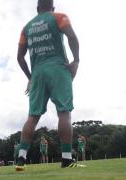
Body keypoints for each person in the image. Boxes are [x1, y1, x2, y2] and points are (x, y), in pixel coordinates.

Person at [16, 0, 80, 171]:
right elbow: (72, 37)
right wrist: (76, 60)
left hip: (37, 73)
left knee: (32, 116)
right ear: (52, 7)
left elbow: (20, 57)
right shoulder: (59, 16)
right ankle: (66, 158)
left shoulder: (26, 27)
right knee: (64, 113)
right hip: (58, 69)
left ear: (38, 9)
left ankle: (21, 158)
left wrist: (31, 77)